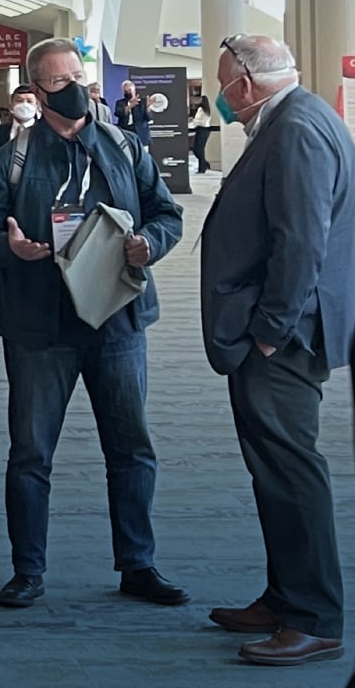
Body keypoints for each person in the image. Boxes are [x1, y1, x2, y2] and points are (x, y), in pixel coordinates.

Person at [0, 38, 186, 611]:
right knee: (31, 453)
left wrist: (148, 245)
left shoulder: (122, 144)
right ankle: (28, 571)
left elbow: (167, 214)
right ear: (37, 91)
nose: (76, 90)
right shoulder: (11, 158)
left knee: (132, 448)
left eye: (80, 78)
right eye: (61, 82)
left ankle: (138, 564)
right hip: (41, 327)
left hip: (118, 322)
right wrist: (12, 249)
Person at [199, 34, 354, 668]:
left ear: (246, 84)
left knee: (292, 471)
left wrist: (269, 329)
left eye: (223, 83)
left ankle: (314, 617)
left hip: (285, 337)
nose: (221, 95)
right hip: (281, 330)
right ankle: (284, 597)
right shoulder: (297, 116)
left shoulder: (295, 129)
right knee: (274, 468)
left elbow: (302, 243)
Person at [0, 84, 40, 161]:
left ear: (37, 106)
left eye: (29, 101)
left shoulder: (47, 133)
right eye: (19, 101)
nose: (24, 105)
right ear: (11, 106)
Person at [114, 81, 153, 152]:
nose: (127, 93)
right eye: (125, 91)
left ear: (134, 90)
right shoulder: (120, 103)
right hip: (126, 134)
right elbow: (118, 113)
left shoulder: (142, 102)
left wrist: (148, 108)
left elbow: (149, 118)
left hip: (141, 135)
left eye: (129, 90)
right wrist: (129, 107)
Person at [188, 92, 214, 173]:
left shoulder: (201, 110)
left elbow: (197, 121)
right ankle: (204, 165)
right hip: (205, 130)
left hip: (202, 130)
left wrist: (190, 122)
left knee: (198, 150)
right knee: (198, 149)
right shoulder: (207, 111)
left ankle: (202, 168)